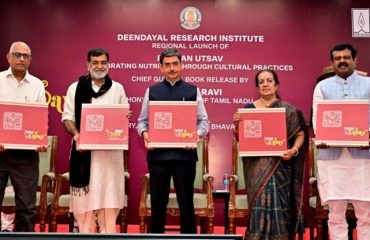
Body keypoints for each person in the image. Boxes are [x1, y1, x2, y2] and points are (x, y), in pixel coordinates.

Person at [137, 48, 209, 233]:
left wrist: (196, 135)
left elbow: (204, 122)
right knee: (158, 203)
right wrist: (145, 133)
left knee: (186, 203)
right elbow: (141, 122)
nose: (171, 68)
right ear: (160, 67)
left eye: (175, 64)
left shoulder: (193, 91)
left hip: (184, 156)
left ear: (182, 65)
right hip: (158, 157)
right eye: (167, 64)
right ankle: (155, 239)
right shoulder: (152, 91)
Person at [233, 69, 307, 240]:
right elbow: (241, 139)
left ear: (276, 84)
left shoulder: (287, 110)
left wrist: (293, 150)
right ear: (257, 86)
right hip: (256, 169)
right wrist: (237, 125)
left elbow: (300, 134)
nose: (265, 84)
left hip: (281, 167)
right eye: (261, 82)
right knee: (260, 204)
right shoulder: (248, 109)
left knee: (280, 206)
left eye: (269, 81)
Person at [62, 48, 130, 233]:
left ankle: (108, 235)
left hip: (110, 158)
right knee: (85, 204)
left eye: (103, 62)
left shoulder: (117, 89)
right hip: (84, 155)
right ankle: (85, 234)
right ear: (88, 64)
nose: (99, 66)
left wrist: (124, 118)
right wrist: (77, 135)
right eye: (95, 62)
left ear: (108, 64)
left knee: (109, 202)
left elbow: (122, 120)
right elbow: (67, 118)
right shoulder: (75, 88)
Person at [312, 43, 370, 240]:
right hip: (332, 158)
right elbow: (317, 119)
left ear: (355, 60)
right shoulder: (322, 87)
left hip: (363, 157)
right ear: (332, 63)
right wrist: (323, 136)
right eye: (338, 58)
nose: (342, 61)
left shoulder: (369, 84)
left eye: (346, 57)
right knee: (335, 214)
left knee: (366, 213)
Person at [0, 41, 47, 231]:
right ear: (8, 57)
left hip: (26, 156)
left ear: (30, 60)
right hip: (0, 152)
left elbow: (40, 119)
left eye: (25, 56)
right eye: (17, 54)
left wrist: (40, 140)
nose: (21, 59)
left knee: (27, 207)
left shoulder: (36, 85)